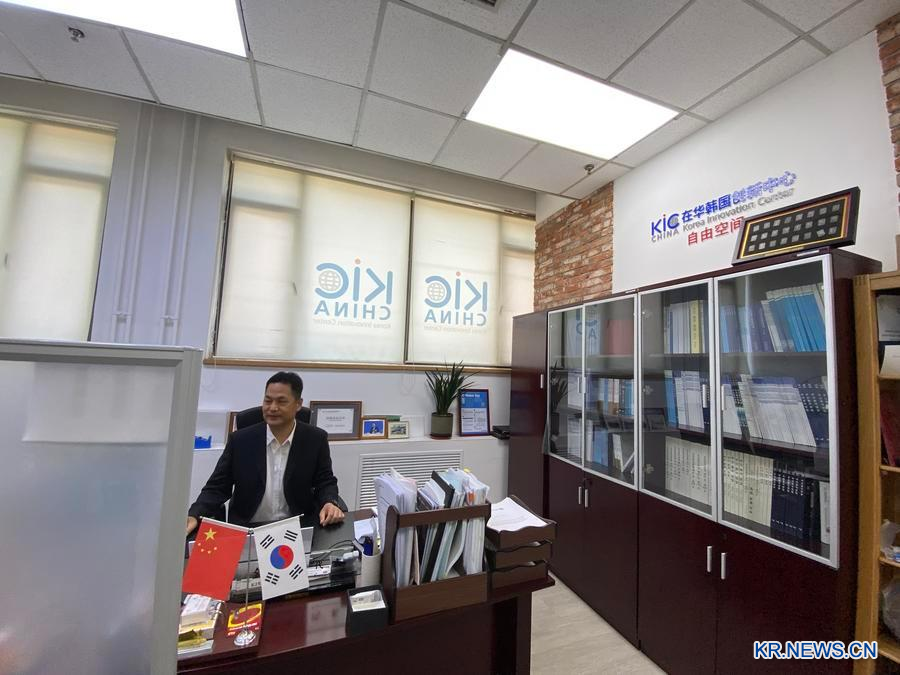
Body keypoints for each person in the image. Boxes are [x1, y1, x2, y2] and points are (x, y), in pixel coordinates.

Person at [186, 371, 345, 536]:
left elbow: (325, 481)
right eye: (268, 401)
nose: (272, 408)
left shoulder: (315, 439)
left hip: (296, 529)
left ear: (298, 404)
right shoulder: (240, 441)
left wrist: (330, 502)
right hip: (248, 529)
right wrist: (195, 514)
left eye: (281, 401)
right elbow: (217, 487)